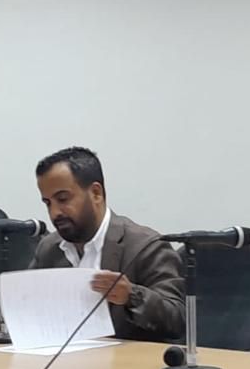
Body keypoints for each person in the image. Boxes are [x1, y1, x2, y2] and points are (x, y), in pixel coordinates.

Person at [20, 146, 184, 341]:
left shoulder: (146, 246)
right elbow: (15, 304)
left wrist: (131, 296)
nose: (54, 212)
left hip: (126, 359)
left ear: (96, 193)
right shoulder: (49, 248)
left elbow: (177, 319)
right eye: (48, 203)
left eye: (63, 199)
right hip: (61, 357)